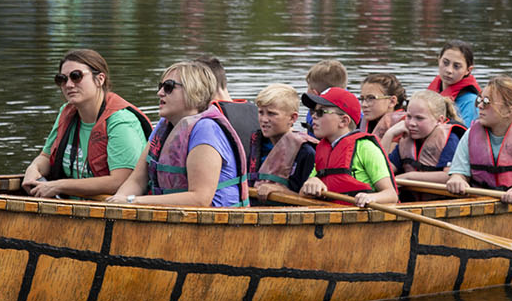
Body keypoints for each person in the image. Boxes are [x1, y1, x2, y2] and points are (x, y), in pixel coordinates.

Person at [109, 61, 249, 207]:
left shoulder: (206, 131)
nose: (160, 93)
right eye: (160, 86)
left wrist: (133, 201)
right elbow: (137, 180)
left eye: (168, 87)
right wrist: (119, 200)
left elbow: (199, 198)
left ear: (194, 91)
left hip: (216, 221)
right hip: (175, 218)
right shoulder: (164, 126)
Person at [21, 50, 152, 199]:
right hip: (70, 205)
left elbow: (121, 181)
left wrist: (59, 186)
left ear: (100, 79)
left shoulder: (121, 121)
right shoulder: (66, 112)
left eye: (76, 77)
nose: (69, 85)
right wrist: (33, 168)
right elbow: (46, 157)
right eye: (62, 79)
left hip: (109, 210)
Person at [443, 77, 512, 205]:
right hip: (480, 202)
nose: (480, 106)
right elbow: (458, 173)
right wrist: (457, 179)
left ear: (509, 111)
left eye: (487, 102)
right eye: (479, 100)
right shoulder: (470, 134)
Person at [299, 87, 398, 207]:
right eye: (312, 112)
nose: (314, 116)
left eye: (321, 112)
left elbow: (391, 195)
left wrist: (371, 197)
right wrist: (311, 182)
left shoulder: (365, 147)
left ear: (344, 121)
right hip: (334, 214)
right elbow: (302, 195)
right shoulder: (322, 149)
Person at [381, 90, 464, 195]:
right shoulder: (406, 140)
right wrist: (389, 135)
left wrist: (408, 177)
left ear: (439, 120)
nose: (412, 123)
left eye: (419, 118)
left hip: (439, 201)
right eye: (409, 116)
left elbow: (448, 176)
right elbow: (383, 172)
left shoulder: (450, 139)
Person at [245, 84, 317, 200]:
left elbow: (310, 201)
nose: (264, 119)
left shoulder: (306, 152)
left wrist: (281, 190)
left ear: (292, 118)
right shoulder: (256, 145)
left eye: (271, 113)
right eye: (261, 112)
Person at [430, 40, 482, 125]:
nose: (449, 70)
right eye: (445, 63)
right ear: (439, 60)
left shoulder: (471, 102)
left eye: (456, 66)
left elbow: (465, 135)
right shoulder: (431, 94)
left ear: (468, 70)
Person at [358, 73, 407, 139]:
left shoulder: (405, 129)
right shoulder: (359, 125)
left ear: (392, 101)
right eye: (362, 99)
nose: (364, 105)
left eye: (371, 98)